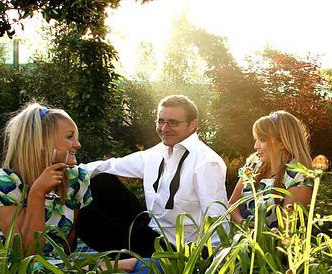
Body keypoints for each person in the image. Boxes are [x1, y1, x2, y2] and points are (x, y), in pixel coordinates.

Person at [78, 95, 228, 263]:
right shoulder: (159, 152)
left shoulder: (206, 162)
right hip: (150, 228)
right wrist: (70, 173)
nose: (164, 128)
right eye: (160, 121)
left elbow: (218, 217)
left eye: (173, 122)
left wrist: (211, 263)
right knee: (99, 180)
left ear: (192, 125)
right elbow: (114, 165)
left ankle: (126, 263)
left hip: (174, 249)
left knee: (85, 217)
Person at [0, 103, 93, 265]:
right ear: (40, 142)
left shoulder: (75, 179)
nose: (77, 144)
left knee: (104, 267)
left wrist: (64, 262)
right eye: (70, 137)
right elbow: (25, 253)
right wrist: (37, 194)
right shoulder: (5, 184)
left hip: (58, 261)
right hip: (15, 269)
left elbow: (69, 239)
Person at [228, 111, 313, 227]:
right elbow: (232, 204)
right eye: (256, 139)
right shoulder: (255, 164)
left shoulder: (298, 177)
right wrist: (245, 227)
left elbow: (286, 229)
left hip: (273, 244)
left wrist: (259, 237)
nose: (256, 146)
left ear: (282, 142)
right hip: (241, 241)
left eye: (262, 140)